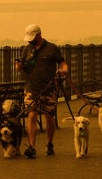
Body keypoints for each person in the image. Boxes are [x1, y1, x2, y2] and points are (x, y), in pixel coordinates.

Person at [15, 24, 68, 158]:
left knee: (49, 117)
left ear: (39, 35)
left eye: (32, 38)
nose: (30, 40)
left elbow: (62, 63)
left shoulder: (52, 48)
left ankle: (49, 144)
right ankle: (32, 147)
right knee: (31, 115)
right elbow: (19, 66)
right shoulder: (27, 49)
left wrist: (64, 70)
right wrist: (18, 66)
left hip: (49, 88)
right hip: (31, 88)